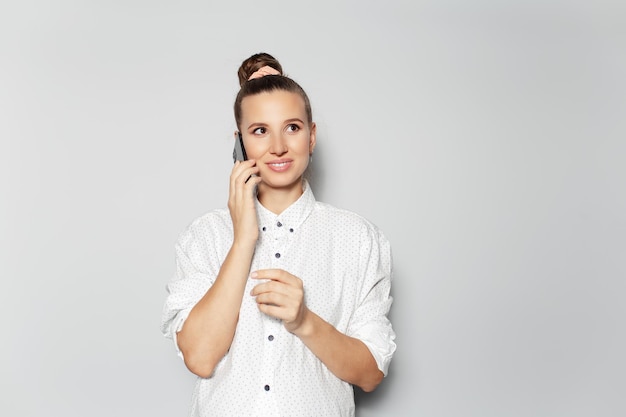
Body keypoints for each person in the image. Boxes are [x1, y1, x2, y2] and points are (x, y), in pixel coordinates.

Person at [161, 52, 396, 417]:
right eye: (260, 131)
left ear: (312, 135)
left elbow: (370, 374)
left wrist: (304, 321)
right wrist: (243, 240)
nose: (278, 147)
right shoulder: (205, 236)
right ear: (240, 142)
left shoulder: (358, 238)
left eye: (292, 127)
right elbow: (200, 358)